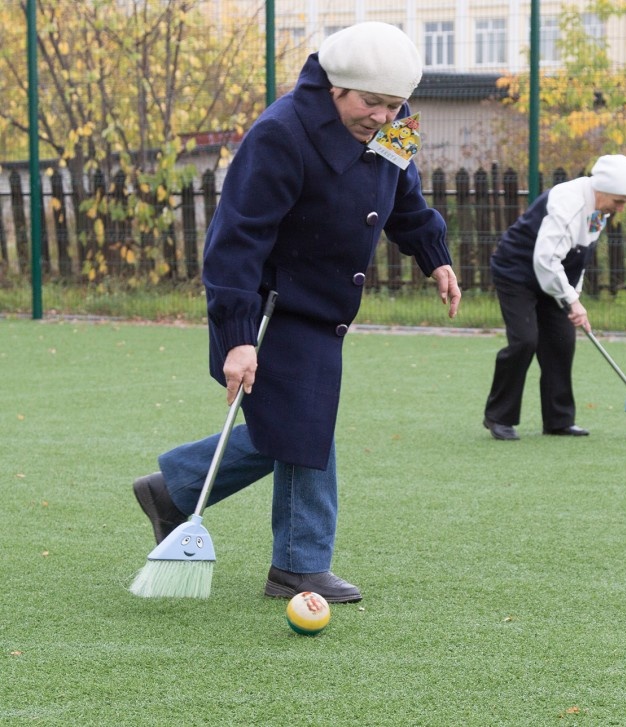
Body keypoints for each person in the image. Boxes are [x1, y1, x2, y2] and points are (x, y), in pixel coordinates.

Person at [132, 22, 461, 602]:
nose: (383, 117)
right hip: (268, 308)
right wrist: (237, 337)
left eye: (394, 105)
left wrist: (434, 258)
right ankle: (299, 566)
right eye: (371, 103)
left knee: (293, 423)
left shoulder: (396, 124)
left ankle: (175, 487)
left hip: (323, 305)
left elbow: (404, 195)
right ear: (335, 87)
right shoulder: (280, 135)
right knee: (307, 421)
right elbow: (235, 240)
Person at [482, 155, 626, 441]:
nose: (620, 208)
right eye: (619, 201)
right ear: (601, 188)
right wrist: (572, 299)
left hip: (554, 276)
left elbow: (579, 256)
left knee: (561, 342)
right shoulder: (567, 203)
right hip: (517, 271)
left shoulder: (599, 211)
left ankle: (558, 421)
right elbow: (545, 260)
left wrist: (574, 298)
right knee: (525, 340)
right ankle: (499, 418)